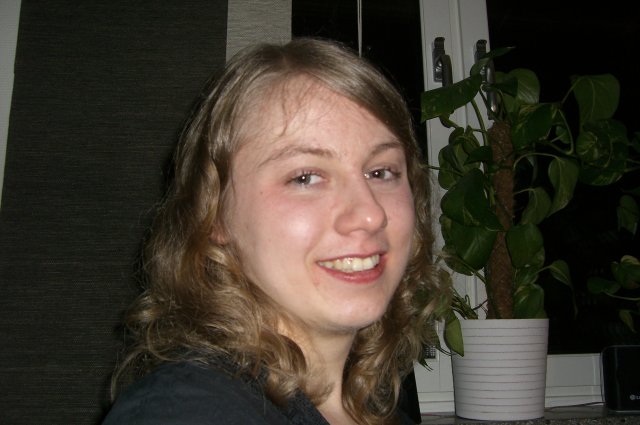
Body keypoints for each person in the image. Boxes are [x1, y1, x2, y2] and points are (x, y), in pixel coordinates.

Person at [102, 37, 449, 425]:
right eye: (305, 177)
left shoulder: (379, 412)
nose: (370, 214)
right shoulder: (184, 411)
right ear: (214, 216)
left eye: (381, 172)